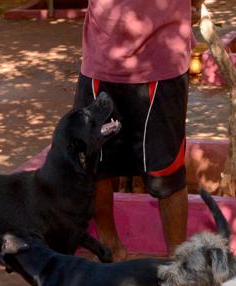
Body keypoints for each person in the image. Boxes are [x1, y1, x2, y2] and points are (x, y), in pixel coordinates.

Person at [74, 0, 195, 261]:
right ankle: (111, 250)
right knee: (95, 167)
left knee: (168, 170)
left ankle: (180, 265)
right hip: (101, 62)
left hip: (162, 64)